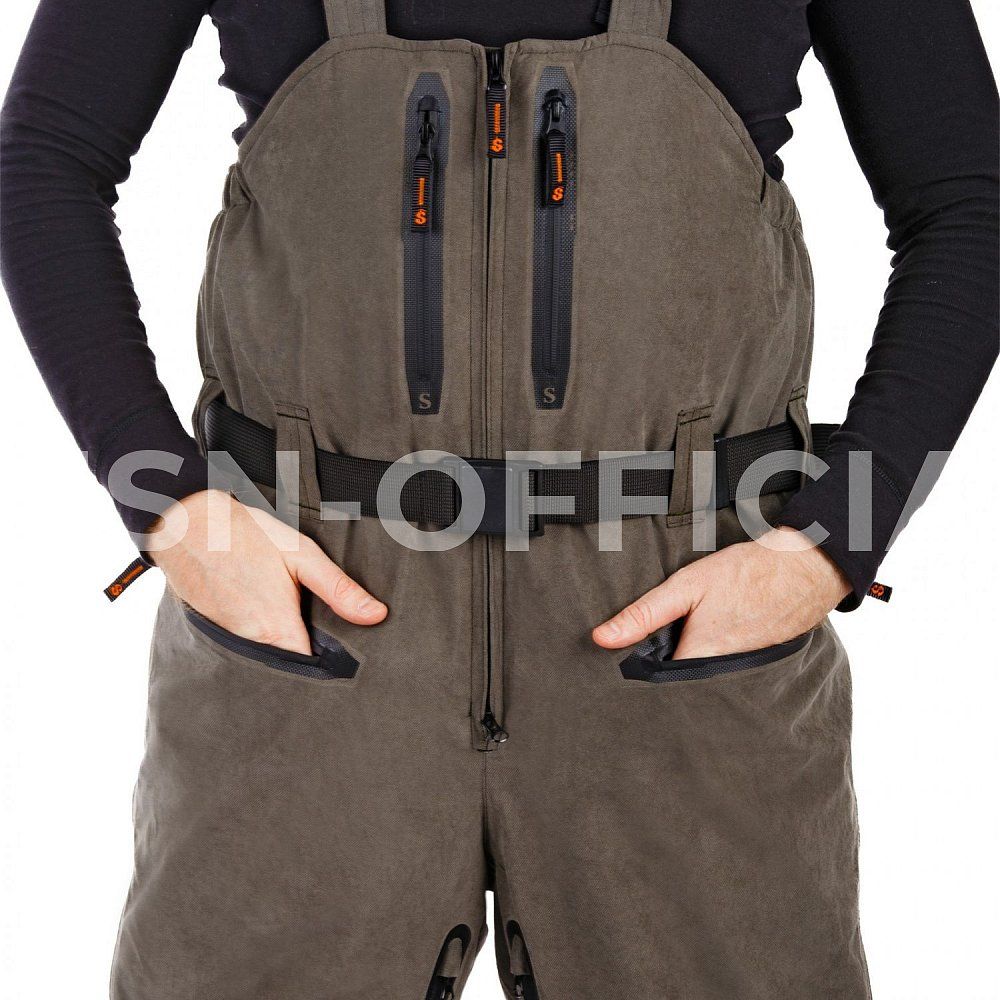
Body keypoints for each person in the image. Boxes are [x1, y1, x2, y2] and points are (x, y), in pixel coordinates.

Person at [1, 0, 996, 996]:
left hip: (687, 644)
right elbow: (41, 160)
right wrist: (168, 508)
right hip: (306, 637)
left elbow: (968, 201)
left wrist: (836, 539)